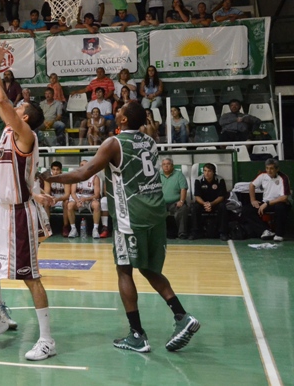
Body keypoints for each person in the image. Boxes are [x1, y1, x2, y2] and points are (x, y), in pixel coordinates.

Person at [44, 101, 200, 353]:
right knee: (148, 268)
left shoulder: (113, 144)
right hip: (155, 213)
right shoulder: (149, 141)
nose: (115, 112)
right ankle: (182, 316)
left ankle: (137, 334)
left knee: (124, 270)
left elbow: (84, 173)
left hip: (131, 216)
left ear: (124, 120)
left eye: (120, 111)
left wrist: (48, 178)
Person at [0, 46, 56, 360]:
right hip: (1, 212)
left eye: (21, 107)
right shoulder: (8, 131)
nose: (15, 107)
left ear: (25, 118)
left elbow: (2, 101)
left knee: (30, 277)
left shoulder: (25, 135)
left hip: (20, 215)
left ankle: (47, 340)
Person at [249, 158, 290, 242]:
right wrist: (253, 200)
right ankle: (265, 230)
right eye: (267, 168)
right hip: (266, 202)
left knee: (280, 208)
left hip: (279, 202)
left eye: (271, 168)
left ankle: (279, 234)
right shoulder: (262, 175)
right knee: (246, 210)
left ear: (277, 169)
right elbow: (251, 185)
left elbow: (284, 197)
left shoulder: (283, 178)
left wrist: (267, 203)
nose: (269, 171)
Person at [191, 163, 229, 241]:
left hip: (216, 203)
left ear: (213, 172)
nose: (206, 173)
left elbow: (221, 196)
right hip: (203, 203)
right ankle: (195, 232)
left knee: (223, 206)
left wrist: (211, 204)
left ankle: (223, 233)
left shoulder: (220, 180)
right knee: (194, 207)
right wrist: (205, 204)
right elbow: (197, 196)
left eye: (209, 171)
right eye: (205, 171)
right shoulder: (198, 180)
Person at [66, 161, 103, 239]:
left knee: (96, 205)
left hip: (89, 200)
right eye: (81, 165)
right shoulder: (76, 177)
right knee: (69, 205)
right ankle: (73, 229)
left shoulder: (95, 177)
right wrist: (77, 201)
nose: (83, 166)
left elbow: (97, 194)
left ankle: (95, 229)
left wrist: (86, 199)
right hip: (78, 200)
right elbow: (73, 193)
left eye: (85, 165)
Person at [160, 158, 190, 240]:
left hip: (175, 202)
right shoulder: (158, 175)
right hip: (161, 203)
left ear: (172, 165)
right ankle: (156, 234)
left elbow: (183, 189)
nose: (166, 166)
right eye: (164, 164)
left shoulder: (179, 174)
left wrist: (181, 201)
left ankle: (182, 233)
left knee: (182, 209)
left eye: (168, 164)